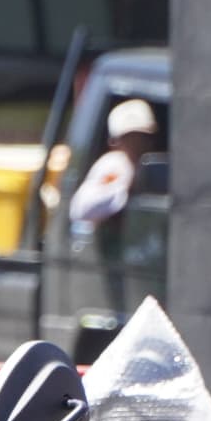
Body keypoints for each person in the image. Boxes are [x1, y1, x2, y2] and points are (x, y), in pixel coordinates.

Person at [66, 95, 159, 317]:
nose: (137, 143)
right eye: (130, 137)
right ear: (115, 141)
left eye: (142, 137)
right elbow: (81, 208)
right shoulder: (115, 165)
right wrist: (122, 190)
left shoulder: (144, 165)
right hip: (110, 260)